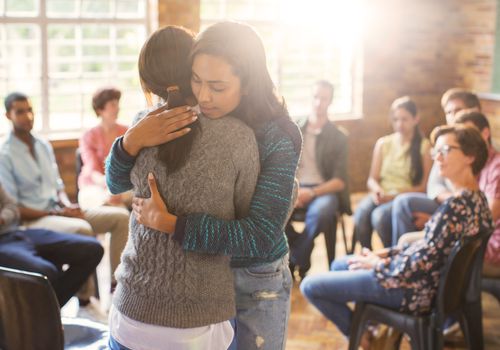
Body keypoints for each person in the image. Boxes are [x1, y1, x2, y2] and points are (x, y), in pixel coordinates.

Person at [106, 22, 302, 350]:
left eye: (218, 86)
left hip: (255, 278)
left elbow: (261, 234)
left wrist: (173, 224)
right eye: (196, 80)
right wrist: (131, 141)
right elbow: (116, 180)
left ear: (248, 83)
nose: (204, 96)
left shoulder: (276, 135)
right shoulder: (182, 119)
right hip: (205, 282)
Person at [300, 125, 493, 346]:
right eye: (435, 152)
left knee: (310, 286)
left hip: (411, 290)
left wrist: (377, 264)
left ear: (470, 156)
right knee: (341, 264)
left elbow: (419, 264)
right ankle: (371, 328)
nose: (438, 157)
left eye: (446, 150)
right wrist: (385, 253)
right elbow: (429, 247)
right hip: (424, 284)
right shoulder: (477, 201)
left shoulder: (455, 207)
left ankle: (366, 338)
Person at [0, 92, 129, 302]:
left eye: (30, 110)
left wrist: (69, 205)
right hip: (34, 219)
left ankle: (118, 288)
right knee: (82, 229)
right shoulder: (4, 154)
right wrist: (57, 212)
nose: (28, 116)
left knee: (120, 218)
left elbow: (58, 186)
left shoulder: (43, 145)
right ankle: (85, 299)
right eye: (20, 112)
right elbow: (14, 207)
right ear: (8, 116)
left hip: (58, 210)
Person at [391, 88, 481, 245]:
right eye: (449, 112)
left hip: (459, 212)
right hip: (447, 203)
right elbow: (433, 185)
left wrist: (439, 217)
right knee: (397, 206)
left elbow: (475, 209)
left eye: (458, 110)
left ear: (475, 111)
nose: (454, 117)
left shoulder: (478, 149)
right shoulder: (447, 141)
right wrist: (451, 204)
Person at [0, 182, 103, 307]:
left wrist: (3, 218)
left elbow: (12, 206)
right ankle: (46, 316)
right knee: (48, 271)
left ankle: (46, 313)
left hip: (17, 232)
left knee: (93, 249)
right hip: (3, 244)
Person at [285, 80, 350, 279]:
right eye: (315, 97)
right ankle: (303, 254)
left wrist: (311, 192)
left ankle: (296, 257)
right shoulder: (294, 128)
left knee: (322, 213)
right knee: (274, 208)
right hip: (294, 186)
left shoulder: (339, 137)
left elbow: (339, 181)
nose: (318, 103)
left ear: (330, 102)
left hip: (323, 191)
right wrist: (294, 190)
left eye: (323, 99)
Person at [353, 96, 432, 249]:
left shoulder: (425, 147)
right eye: (395, 119)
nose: (399, 124)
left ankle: (393, 255)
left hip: (403, 198)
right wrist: (377, 190)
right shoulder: (383, 143)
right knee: (361, 214)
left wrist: (393, 196)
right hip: (382, 193)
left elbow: (424, 187)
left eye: (404, 119)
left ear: (416, 119)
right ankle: (367, 254)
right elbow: (372, 179)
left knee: (380, 217)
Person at [78, 87, 130, 210]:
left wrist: (117, 189)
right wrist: (111, 187)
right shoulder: (88, 136)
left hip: (122, 185)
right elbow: (92, 170)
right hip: (94, 184)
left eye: (117, 104)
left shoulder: (127, 132)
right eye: (113, 104)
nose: (117, 108)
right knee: (108, 202)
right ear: (100, 109)